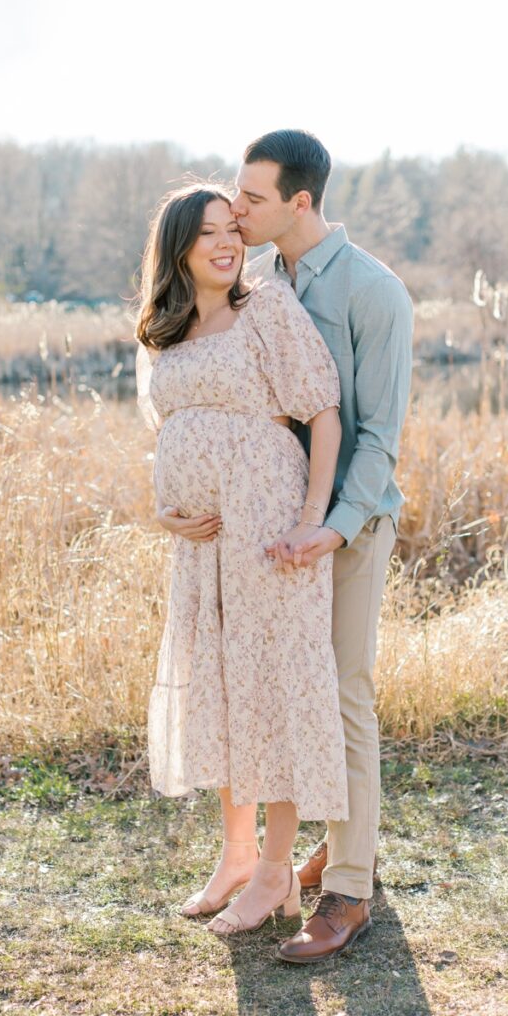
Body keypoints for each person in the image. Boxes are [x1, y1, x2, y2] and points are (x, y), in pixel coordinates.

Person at [159, 131, 413, 962]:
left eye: (252, 200)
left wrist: (325, 523)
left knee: (339, 691)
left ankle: (347, 886)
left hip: (346, 522)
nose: (236, 213)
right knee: (280, 686)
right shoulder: (263, 282)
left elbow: (375, 433)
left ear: (299, 202)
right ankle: (302, 851)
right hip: (263, 532)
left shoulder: (374, 293)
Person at [135, 182, 350, 936]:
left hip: (266, 529)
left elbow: (321, 410)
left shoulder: (268, 310)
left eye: (234, 230)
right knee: (223, 688)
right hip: (202, 546)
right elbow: (167, 432)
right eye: (208, 235)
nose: (228, 244)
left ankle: (274, 871)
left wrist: (311, 517)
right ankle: (233, 856)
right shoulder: (164, 331)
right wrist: (165, 508)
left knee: (272, 686)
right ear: (178, 249)